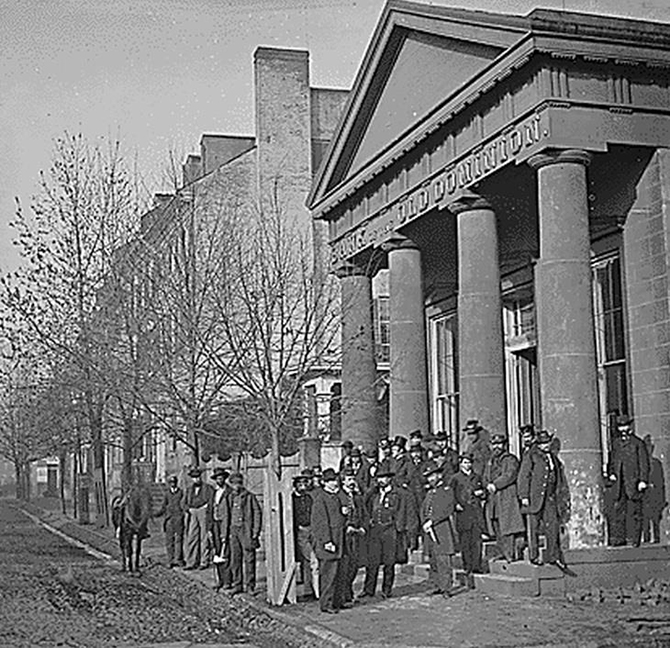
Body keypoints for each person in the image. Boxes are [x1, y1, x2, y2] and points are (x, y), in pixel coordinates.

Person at [518, 429, 570, 571]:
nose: (545, 445)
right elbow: (524, 476)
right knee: (533, 528)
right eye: (542, 443)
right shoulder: (531, 456)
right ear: (538, 444)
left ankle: (553, 556)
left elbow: (558, 476)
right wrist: (524, 496)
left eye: (547, 442)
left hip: (550, 498)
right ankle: (534, 556)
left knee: (552, 526)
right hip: (534, 497)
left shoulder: (553, 457)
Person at [361, 467, 416, 599]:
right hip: (375, 530)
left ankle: (387, 589)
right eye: (379, 478)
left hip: (390, 530)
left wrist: (406, 531)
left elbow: (405, 512)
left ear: (390, 479)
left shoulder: (398, 494)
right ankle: (369, 590)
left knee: (389, 562)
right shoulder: (374, 494)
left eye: (383, 478)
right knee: (372, 562)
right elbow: (364, 504)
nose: (381, 480)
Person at [606, 415, 650, 547]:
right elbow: (612, 460)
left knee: (636, 511)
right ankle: (619, 538)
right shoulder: (616, 443)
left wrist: (643, 480)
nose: (623, 429)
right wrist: (612, 473)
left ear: (629, 427)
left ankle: (635, 539)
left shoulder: (638, 443)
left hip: (634, 482)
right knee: (618, 510)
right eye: (620, 426)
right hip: (619, 482)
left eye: (625, 426)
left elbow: (644, 463)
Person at [483, 433, 524, 562]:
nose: (497, 447)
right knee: (497, 526)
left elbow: (509, 475)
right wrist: (486, 486)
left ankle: (510, 554)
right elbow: (485, 477)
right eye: (494, 444)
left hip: (506, 497)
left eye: (499, 444)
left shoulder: (510, 459)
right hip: (494, 498)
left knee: (508, 526)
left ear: (505, 445)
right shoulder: (490, 461)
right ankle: (502, 552)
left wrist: (495, 485)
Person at [310, 468, 346, 614]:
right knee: (328, 575)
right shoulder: (321, 498)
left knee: (339, 574)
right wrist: (326, 541)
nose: (334, 482)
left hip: (339, 539)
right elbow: (320, 523)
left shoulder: (336, 496)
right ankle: (326, 604)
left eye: (335, 479)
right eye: (330, 480)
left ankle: (338, 601)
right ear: (324, 482)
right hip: (329, 542)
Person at [421, 461, 458, 598]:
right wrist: (425, 522)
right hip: (429, 532)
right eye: (428, 477)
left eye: (433, 476)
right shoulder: (430, 492)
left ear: (439, 475)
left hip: (442, 531)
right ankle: (438, 585)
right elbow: (424, 509)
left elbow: (446, 509)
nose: (430, 479)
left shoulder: (447, 491)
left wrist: (432, 521)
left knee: (444, 561)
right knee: (434, 562)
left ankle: (446, 588)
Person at [450, 453, 486, 587]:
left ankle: (477, 565)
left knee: (477, 541)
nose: (467, 465)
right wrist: (455, 505)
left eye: (469, 462)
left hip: (475, 512)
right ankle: (467, 567)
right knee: (465, 541)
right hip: (463, 512)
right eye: (465, 462)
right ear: (460, 464)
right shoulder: (455, 479)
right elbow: (450, 494)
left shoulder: (477, 477)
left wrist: (481, 493)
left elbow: (483, 490)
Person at [225, 472, 262, 595]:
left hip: (246, 531)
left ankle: (250, 585)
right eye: (234, 484)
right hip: (233, 530)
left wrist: (255, 532)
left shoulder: (249, 497)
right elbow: (226, 515)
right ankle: (237, 585)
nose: (237, 486)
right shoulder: (229, 497)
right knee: (235, 559)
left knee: (249, 559)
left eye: (239, 483)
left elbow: (257, 513)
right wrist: (226, 532)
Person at [339, 468, 368, 607]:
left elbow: (364, 515)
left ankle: (348, 592)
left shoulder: (357, 497)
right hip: (344, 537)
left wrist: (363, 527)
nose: (352, 482)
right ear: (343, 481)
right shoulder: (339, 496)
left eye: (353, 479)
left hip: (357, 536)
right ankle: (345, 595)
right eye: (349, 479)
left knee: (355, 565)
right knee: (345, 566)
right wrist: (346, 526)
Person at [292, 472, 319, 600]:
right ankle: (308, 590)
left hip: (311, 530)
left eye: (304, 484)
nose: (302, 487)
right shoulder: (292, 499)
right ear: (295, 486)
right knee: (309, 559)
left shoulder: (308, 498)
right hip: (301, 531)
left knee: (311, 561)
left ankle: (313, 590)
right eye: (300, 484)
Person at [183, 467, 214, 570]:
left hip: (203, 512)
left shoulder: (208, 488)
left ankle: (204, 561)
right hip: (193, 512)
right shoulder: (189, 489)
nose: (196, 479)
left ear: (201, 477)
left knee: (204, 537)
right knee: (192, 536)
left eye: (197, 477)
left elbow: (212, 500)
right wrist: (188, 509)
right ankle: (191, 562)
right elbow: (183, 503)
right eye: (194, 478)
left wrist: (206, 507)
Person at [206, 467, 231, 590]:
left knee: (225, 552)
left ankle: (228, 581)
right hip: (215, 524)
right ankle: (220, 580)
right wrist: (209, 528)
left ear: (224, 479)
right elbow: (209, 510)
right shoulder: (214, 492)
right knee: (217, 553)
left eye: (221, 478)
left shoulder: (229, 492)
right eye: (217, 478)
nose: (219, 480)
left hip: (225, 525)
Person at [156, 475, 186, 567]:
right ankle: (170, 560)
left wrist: (183, 514)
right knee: (169, 541)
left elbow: (184, 504)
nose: (173, 484)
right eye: (171, 483)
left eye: (174, 482)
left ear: (176, 483)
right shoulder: (167, 494)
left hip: (178, 518)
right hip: (169, 519)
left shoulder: (181, 493)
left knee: (179, 540)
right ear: (169, 484)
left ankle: (178, 559)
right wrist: (157, 514)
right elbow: (163, 506)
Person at [643, 435, 667, 544]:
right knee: (644, 518)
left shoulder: (656, 464)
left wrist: (662, 498)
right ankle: (646, 537)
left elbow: (661, 482)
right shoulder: (640, 464)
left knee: (655, 518)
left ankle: (656, 537)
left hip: (654, 495)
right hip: (644, 494)